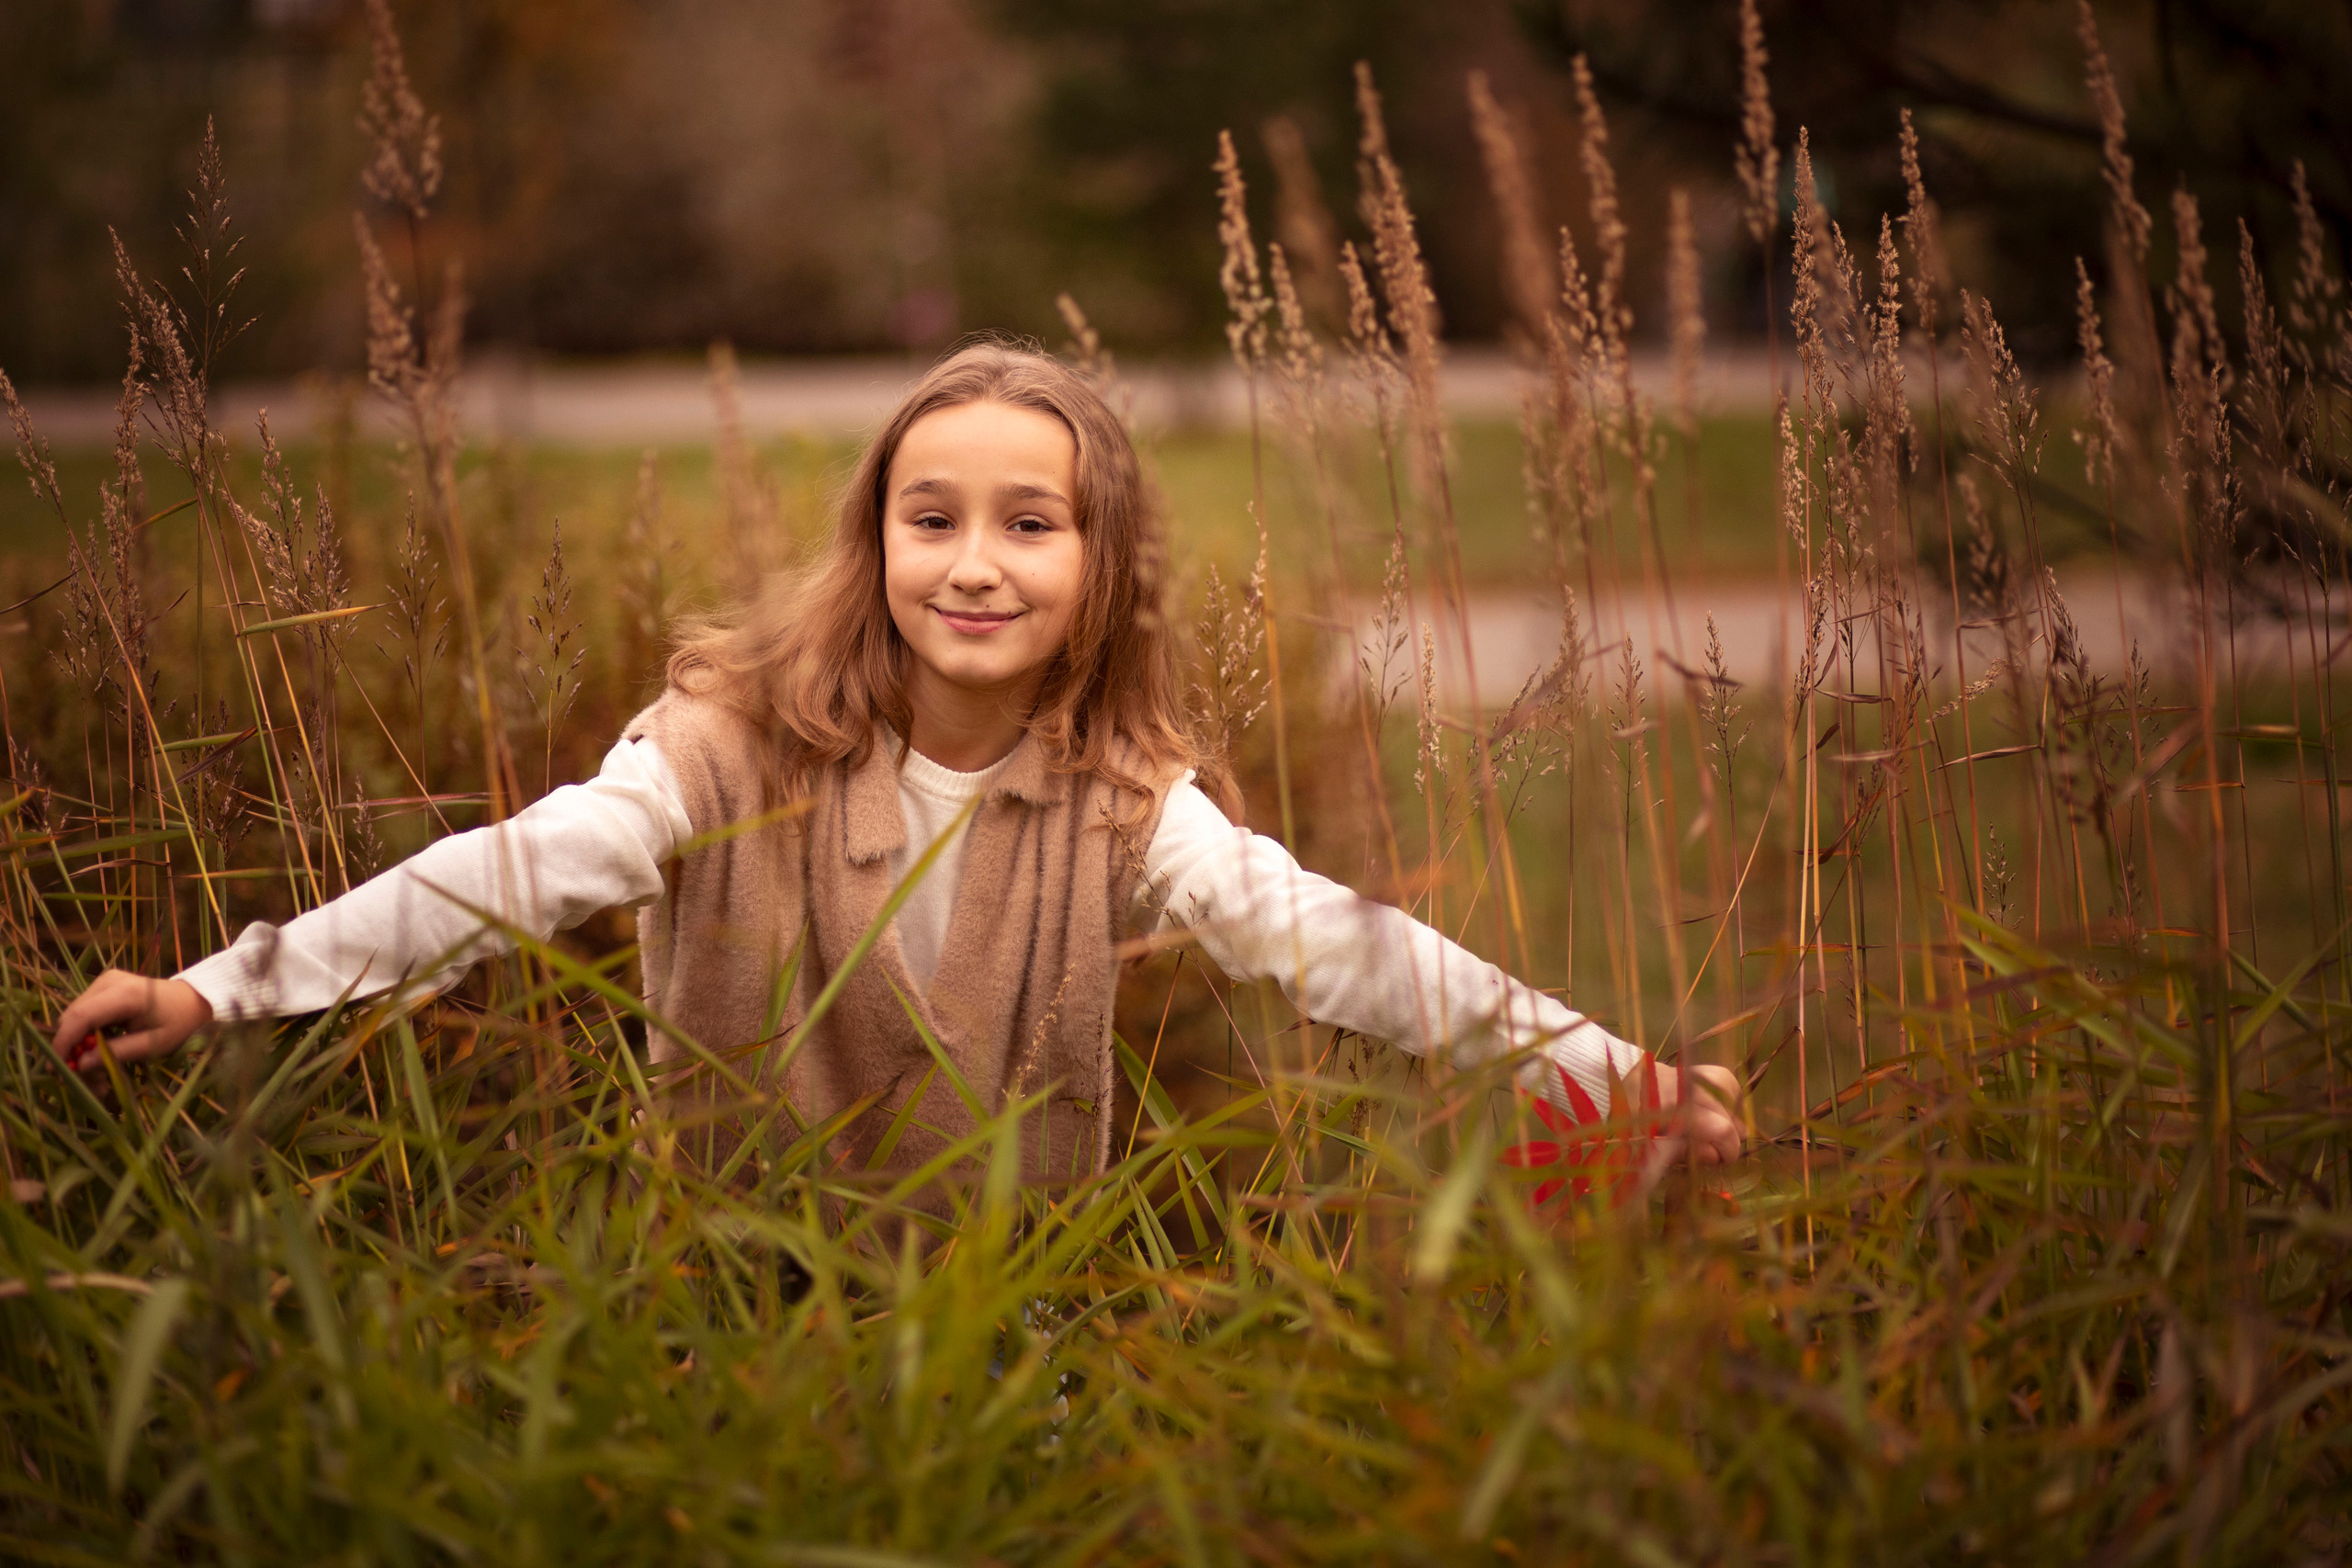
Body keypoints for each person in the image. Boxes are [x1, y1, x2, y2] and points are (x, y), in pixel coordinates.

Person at [47, 341, 1741, 1194]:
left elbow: (1342, 945)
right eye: (931, 520)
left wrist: (1605, 1069)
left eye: (1030, 523)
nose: (975, 564)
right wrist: (221, 988)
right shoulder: (718, 756)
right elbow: (498, 876)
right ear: (876, 543)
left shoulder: (1121, 803)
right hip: (725, 1312)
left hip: (1003, 1334)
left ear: (1101, 561)